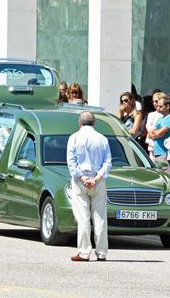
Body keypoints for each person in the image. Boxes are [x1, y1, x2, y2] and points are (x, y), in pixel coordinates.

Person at [67, 111, 112, 262]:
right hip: (98, 180)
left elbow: (71, 162)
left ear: (80, 122)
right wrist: (97, 178)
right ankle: (101, 252)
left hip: (80, 181)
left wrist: (83, 177)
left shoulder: (74, 138)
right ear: (94, 123)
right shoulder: (102, 139)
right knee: (99, 217)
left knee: (83, 217)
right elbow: (107, 162)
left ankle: (84, 252)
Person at [147, 96, 170, 166]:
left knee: (164, 174)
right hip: (157, 152)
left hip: (164, 152)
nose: (158, 108)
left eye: (160, 106)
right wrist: (156, 133)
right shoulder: (160, 118)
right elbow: (149, 134)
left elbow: (160, 133)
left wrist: (156, 133)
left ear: (167, 106)